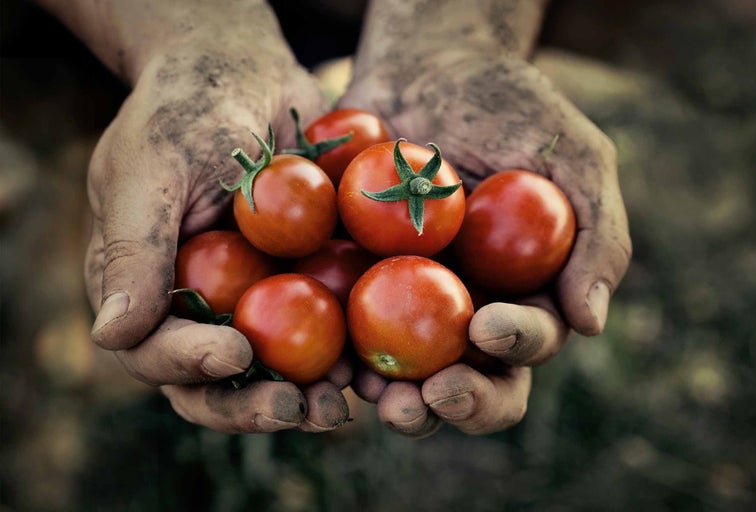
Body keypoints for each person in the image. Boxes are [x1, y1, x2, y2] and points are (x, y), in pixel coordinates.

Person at [32, 0, 631, 437]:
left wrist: (454, 35)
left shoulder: (379, 195)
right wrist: (189, 42)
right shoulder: (358, 194)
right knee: (100, 142)